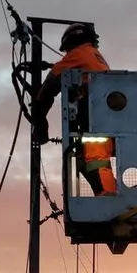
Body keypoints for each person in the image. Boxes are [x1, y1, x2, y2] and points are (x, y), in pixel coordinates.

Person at [32, 23, 117, 197]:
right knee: (91, 160)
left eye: (67, 50)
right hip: (108, 117)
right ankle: (107, 195)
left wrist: (40, 119)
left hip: (95, 118)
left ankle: (107, 198)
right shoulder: (94, 55)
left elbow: (51, 84)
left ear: (72, 41)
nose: (67, 54)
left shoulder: (78, 54)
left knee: (93, 160)